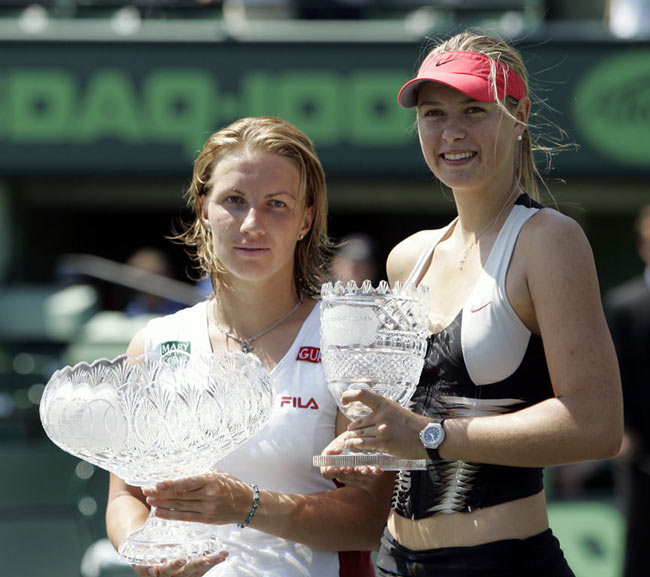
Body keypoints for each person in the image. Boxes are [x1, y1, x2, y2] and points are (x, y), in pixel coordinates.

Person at [323, 31, 623, 576]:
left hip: (502, 563)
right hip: (394, 561)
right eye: (433, 113)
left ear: (519, 114)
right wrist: (368, 449)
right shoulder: (406, 259)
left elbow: (597, 424)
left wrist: (430, 436)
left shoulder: (548, 240)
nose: (452, 132)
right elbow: (402, 432)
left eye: (474, 110)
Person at [106, 116, 393, 577]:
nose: (252, 224)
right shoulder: (154, 344)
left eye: (276, 204)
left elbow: (369, 520)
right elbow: (126, 497)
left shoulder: (352, 341)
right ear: (203, 208)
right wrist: (149, 554)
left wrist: (247, 504)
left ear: (306, 219)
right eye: (234, 200)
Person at [605, 204, 650, 577]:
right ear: (642, 247)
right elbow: (612, 371)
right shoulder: (623, 304)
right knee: (638, 547)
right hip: (640, 455)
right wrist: (621, 432)